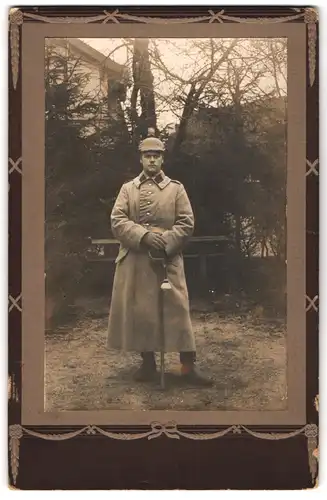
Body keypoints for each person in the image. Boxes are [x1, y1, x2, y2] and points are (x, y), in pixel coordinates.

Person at [107, 132, 212, 386]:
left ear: (162, 159)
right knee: (143, 313)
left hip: (167, 259)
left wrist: (165, 242)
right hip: (137, 260)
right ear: (141, 159)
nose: (152, 160)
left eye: (156, 156)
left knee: (177, 310)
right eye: (147, 156)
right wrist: (143, 236)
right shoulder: (128, 189)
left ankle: (188, 367)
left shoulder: (176, 189)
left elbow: (186, 223)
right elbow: (117, 220)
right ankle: (147, 365)